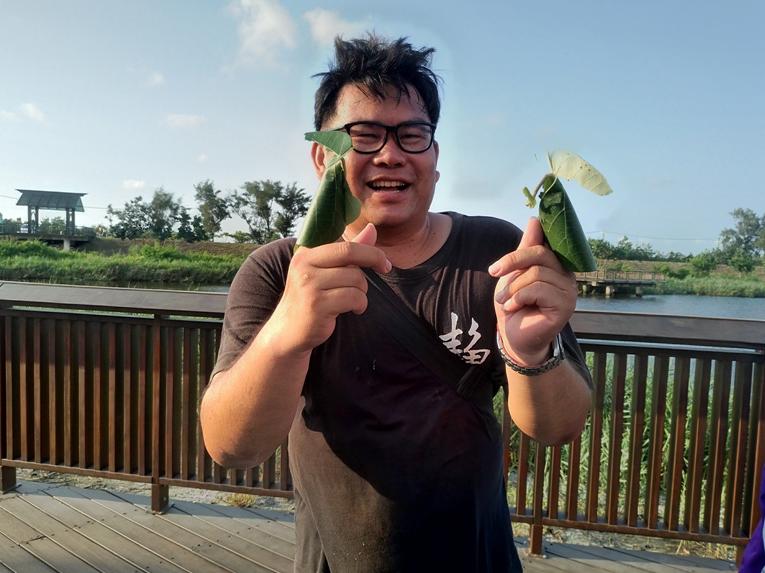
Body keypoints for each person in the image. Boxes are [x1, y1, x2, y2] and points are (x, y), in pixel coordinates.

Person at [200, 34, 593, 572]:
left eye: (412, 135)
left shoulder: (497, 254)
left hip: (479, 558)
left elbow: (557, 427)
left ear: (435, 156)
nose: (390, 154)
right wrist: (286, 333)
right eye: (363, 136)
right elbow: (232, 447)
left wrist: (530, 353)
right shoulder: (278, 269)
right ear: (322, 156)